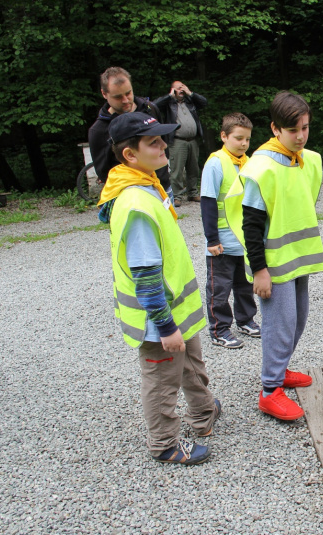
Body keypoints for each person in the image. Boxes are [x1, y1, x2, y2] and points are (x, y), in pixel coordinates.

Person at [97, 112, 221, 465]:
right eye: (153, 142)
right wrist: (165, 327)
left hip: (176, 311)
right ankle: (164, 442)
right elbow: (146, 275)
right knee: (162, 380)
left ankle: (203, 413)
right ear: (130, 156)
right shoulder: (136, 204)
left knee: (190, 363)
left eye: (163, 138)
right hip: (160, 319)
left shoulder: (147, 185)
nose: (164, 145)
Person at [225, 91, 323, 421]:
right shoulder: (261, 167)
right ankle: (270, 391)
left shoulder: (308, 159)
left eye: (305, 128)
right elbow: (251, 225)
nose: (300, 136)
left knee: (297, 319)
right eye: (292, 130)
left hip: (298, 258)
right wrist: (260, 271)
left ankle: (280, 372)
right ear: (275, 128)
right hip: (273, 264)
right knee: (279, 324)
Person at [200, 113, 261, 349]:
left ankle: (246, 320)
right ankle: (219, 329)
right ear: (224, 136)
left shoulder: (249, 162)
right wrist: (211, 239)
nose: (244, 144)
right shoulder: (215, 163)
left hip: (243, 241)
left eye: (247, 139)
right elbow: (208, 202)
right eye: (238, 138)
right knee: (219, 288)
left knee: (245, 284)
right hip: (222, 242)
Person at [87, 67, 171, 191]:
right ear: (104, 94)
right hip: (131, 193)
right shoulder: (99, 130)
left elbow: (163, 142)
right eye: (118, 97)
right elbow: (104, 173)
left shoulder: (150, 109)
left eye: (128, 93)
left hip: (163, 186)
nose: (126, 100)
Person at [154, 81, 208, 207]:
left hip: (193, 140)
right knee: (177, 169)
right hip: (177, 140)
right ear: (172, 90)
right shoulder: (169, 104)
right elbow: (154, 105)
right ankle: (176, 195)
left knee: (193, 168)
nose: (181, 91)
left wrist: (190, 93)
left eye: (183, 88)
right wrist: (170, 96)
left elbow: (204, 102)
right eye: (178, 89)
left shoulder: (190, 102)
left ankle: (192, 192)